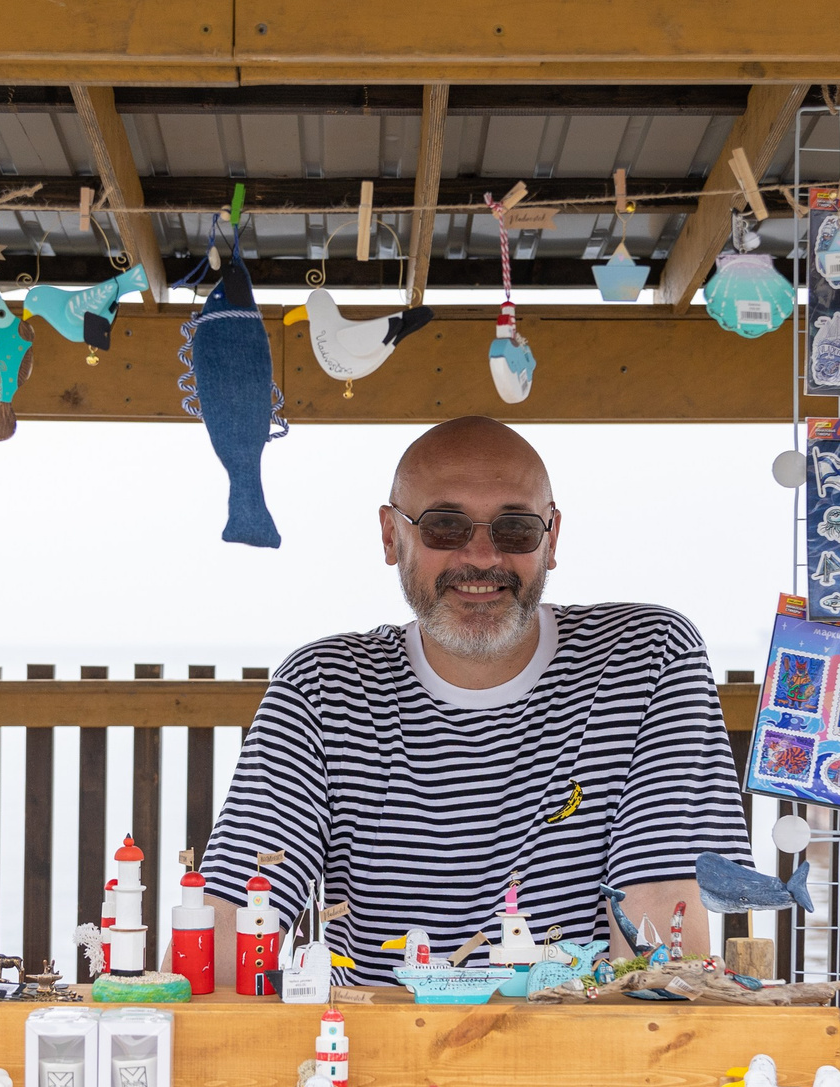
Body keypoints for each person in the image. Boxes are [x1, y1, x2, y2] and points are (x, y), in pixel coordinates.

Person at [198, 416, 752, 986]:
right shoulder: (322, 688)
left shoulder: (648, 661)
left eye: (514, 529)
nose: (484, 556)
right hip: (375, 1063)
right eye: (444, 526)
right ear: (391, 536)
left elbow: (660, 917)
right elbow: (234, 917)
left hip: (583, 1061)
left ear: (551, 539)